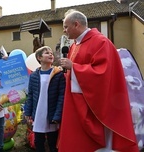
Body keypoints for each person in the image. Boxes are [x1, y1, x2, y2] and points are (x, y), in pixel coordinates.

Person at [58, 9, 139, 151]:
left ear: (76, 24)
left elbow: (103, 73)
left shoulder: (101, 42)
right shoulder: (74, 45)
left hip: (96, 105)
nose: (64, 31)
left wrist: (74, 68)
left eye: (66, 27)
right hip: (76, 101)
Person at [24, 46, 65, 152]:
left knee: (52, 143)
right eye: (47, 53)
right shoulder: (34, 75)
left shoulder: (58, 74)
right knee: (39, 141)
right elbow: (31, 95)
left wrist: (57, 115)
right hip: (38, 114)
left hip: (51, 113)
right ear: (39, 57)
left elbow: (61, 96)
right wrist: (28, 112)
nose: (51, 54)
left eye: (51, 53)